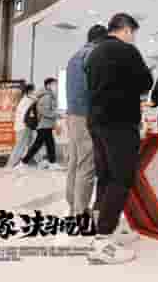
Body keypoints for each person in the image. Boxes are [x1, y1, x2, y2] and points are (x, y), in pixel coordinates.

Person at [85, 13, 153, 264]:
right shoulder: (126, 50)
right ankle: (102, 240)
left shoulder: (94, 53)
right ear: (126, 30)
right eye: (133, 33)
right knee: (121, 177)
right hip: (120, 121)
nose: (133, 38)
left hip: (97, 121)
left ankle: (104, 228)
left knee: (105, 174)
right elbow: (146, 83)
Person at [65, 25, 107, 217]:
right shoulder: (94, 55)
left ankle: (73, 206)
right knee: (87, 165)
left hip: (73, 115)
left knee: (74, 162)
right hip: (86, 115)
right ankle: (80, 212)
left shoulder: (75, 56)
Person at [16, 78, 63, 171]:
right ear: (48, 85)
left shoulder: (48, 95)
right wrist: (57, 115)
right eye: (54, 84)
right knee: (38, 145)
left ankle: (52, 163)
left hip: (46, 124)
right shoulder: (46, 96)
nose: (56, 86)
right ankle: (23, 162)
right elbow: (43, 110)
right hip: (44, 124)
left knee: (49, 144)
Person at [6, 84, 36, 168]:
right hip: (24, 127)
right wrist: (29, 123)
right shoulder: (28, 101)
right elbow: (25, 114)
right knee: (20, 146)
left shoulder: (25, 100)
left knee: (32, 144)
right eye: (34, 91)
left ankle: (39, 161)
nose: (35, 92)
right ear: (30, 91)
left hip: (23, 126)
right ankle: (11, 164)